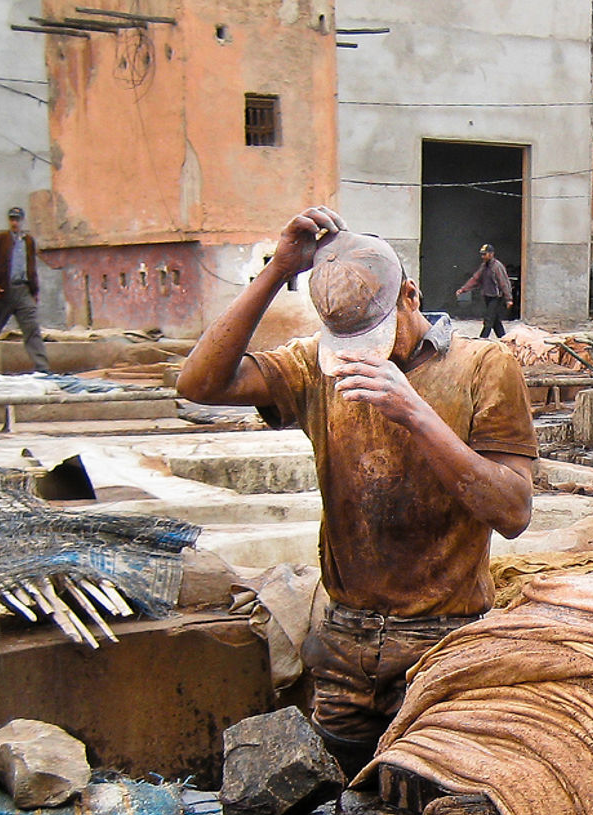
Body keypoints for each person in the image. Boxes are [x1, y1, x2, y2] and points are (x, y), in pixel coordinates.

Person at [176, 206, 536, 777]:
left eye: (373, 335)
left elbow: (513, 511)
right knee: (334, 812)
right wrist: (278, 269)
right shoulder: (317, 367)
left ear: (410, 297)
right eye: (348, 342)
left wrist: (415, 414)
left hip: (440, 644)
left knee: (428, 813)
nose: (361, 355)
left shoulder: (482, 366)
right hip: (344, 644)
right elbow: (199, 383)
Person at [0, 206, 50, 372]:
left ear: (23, 221)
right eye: (12, 219)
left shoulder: (28, 241)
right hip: (2, 291)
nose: (14, 223)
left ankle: (42, 368)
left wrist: (34, 291)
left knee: (32, 329)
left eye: (17, 219)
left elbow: (31, 267)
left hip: (23, 290)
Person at [455, 243, 514, 339]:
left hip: (496, 297)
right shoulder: (484, 266)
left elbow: (504, 283)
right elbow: (475, 279)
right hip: (487, 296)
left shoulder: (497, 267)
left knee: (488, 320)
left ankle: (482, 339)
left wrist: (508, 299)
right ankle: (504, 339)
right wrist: (463, 289)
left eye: (484, 254)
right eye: (482, 254)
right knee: (495, 321)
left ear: (491, 254)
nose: (483, 256)